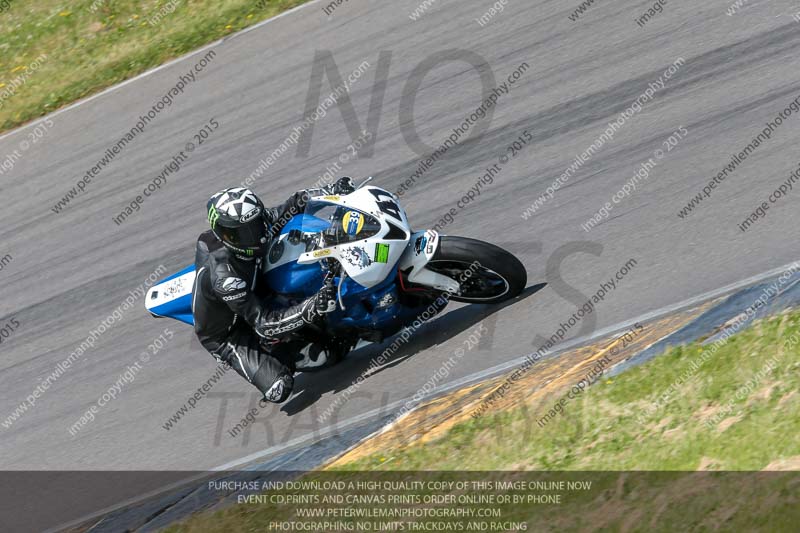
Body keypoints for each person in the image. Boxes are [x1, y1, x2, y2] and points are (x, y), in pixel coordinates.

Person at [192, 178, 355, 404]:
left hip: (257, 287)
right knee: (280, 388)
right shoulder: (225, 277)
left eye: (255, 225)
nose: (255, 236)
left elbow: (296, 204)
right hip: (231, 331)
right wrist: (312, 307)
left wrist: (332, 192)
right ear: (225, 235)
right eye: (243, 233)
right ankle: (284, 352)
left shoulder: (258, 223)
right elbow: (264, 323)